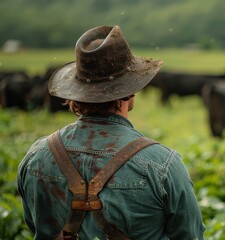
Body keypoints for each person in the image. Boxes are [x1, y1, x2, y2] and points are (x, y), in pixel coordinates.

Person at [17, 25, 205, 240]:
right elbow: (190, 236)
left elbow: (35, 225)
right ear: (130, 90)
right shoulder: (163, 164)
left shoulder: (36, 156)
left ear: (76, 93)